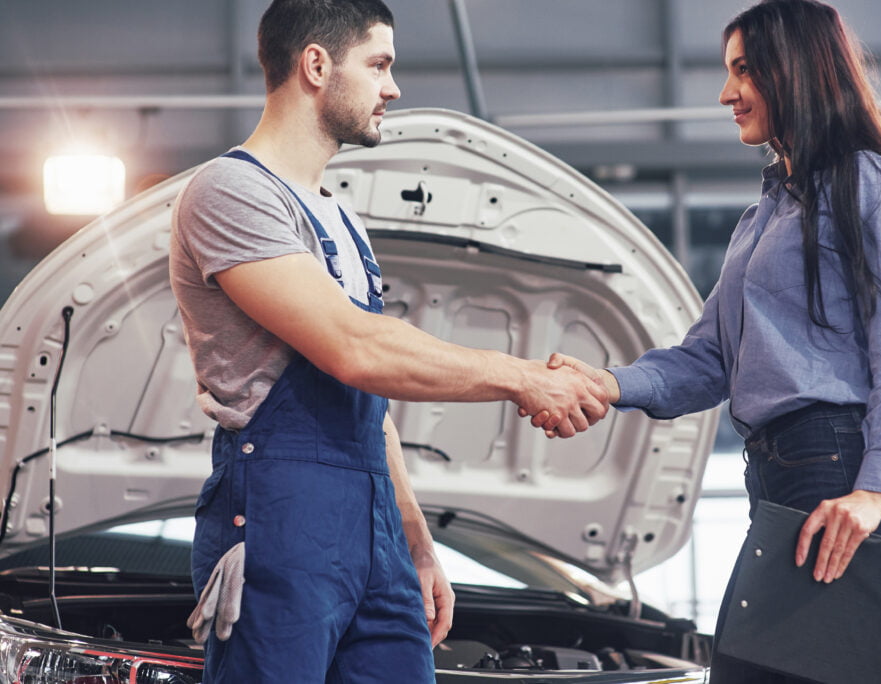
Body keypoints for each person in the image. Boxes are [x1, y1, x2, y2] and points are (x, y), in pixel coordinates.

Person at [168, 1, 608, 681]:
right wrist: (524, 377)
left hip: (373, 531)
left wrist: (414, 537)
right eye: (379, 64)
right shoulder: (229, 193)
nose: (393, 88)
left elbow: (370, 401)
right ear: (316, 65)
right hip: (281, 523)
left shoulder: (343, 220)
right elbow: (354, 347)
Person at [542, 0, 881, 681]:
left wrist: (875, 490)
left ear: (793, 70)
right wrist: (604, 383)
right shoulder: (759, 219)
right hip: (782, 481)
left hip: (842, 477)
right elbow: (706, 361)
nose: (726, 93)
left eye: (743, 70)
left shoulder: (866, 180)